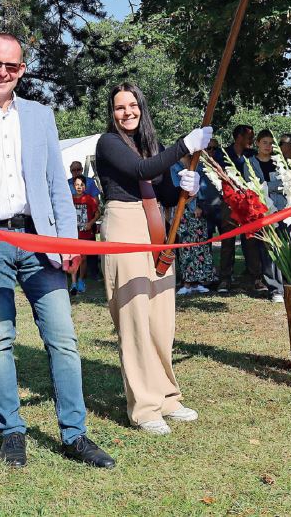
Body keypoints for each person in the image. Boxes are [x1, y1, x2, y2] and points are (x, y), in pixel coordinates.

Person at [0, 33, 114, 469]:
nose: (3, 72)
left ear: (22, 70)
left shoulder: (42, 116)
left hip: (41, 242)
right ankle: (12, 431)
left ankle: (75, 434)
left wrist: (67, 241)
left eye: (13, 66)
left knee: (62, 338)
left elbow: (55, 184)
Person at [95, 82, 211, 435]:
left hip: (156, 227)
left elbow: (161, 187)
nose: (127, 112)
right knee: (135, 318)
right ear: (112, 113)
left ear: (142, 108)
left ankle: (166, 396)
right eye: (119, 107)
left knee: (161, 317)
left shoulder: (150, 145)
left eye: (133, 105)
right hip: (124, 224)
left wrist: (184, 190)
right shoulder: (109, 143)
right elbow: (142, 171)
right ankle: (144, 406)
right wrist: (184, 146)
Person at [215, 125, 262, 293]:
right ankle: (225, 278)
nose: (252, 140)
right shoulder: (222, 153)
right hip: (229, 202)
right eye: (249, 137)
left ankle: (255, 277)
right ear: (239, 137)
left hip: (249, 202)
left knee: (251, 239)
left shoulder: (251, 155)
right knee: (228, 240)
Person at [245, 129, 285, 303]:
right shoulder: (250, 163)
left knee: (283, 248)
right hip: (264, 211)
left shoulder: (278, 162)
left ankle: (286, 284)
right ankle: (275, 289)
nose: (268, 146)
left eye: (271, 143)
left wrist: (267, 185)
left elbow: (285, 182)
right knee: (268, 250)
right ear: (257, 144)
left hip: (283, 209)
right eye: (265, 142)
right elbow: (253, 186)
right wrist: (271, 185)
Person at [171, 155, 214, 295]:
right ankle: (187, 283)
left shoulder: (198, 166)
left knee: (200, 248)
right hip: (182, 213)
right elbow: (178, 191)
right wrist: (192, 205)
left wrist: (199, 204)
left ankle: (199, 282)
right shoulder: (174, 167)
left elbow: (204, 189)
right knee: (185, 249)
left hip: (199, 213)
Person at [70, 174, 100, 295]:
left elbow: (98, 213)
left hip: (85, 233)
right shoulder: (69, 199)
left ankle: (81, 280)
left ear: (85, 186)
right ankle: (73, 283)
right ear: (73, 186)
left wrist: (90, 223)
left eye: (81, 185)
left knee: (83, 258)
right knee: (73, 257)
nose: (79, 187)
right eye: (77, 184)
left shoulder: (89, 199)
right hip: (73, 232)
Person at [201, 138, 223, 238]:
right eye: (209, 148)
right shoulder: (196, 165)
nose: (212, 151)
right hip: (204, 207)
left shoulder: (220, 165)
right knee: (206, 238)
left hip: (219, 205)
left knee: (227, 238)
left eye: (215, 148)